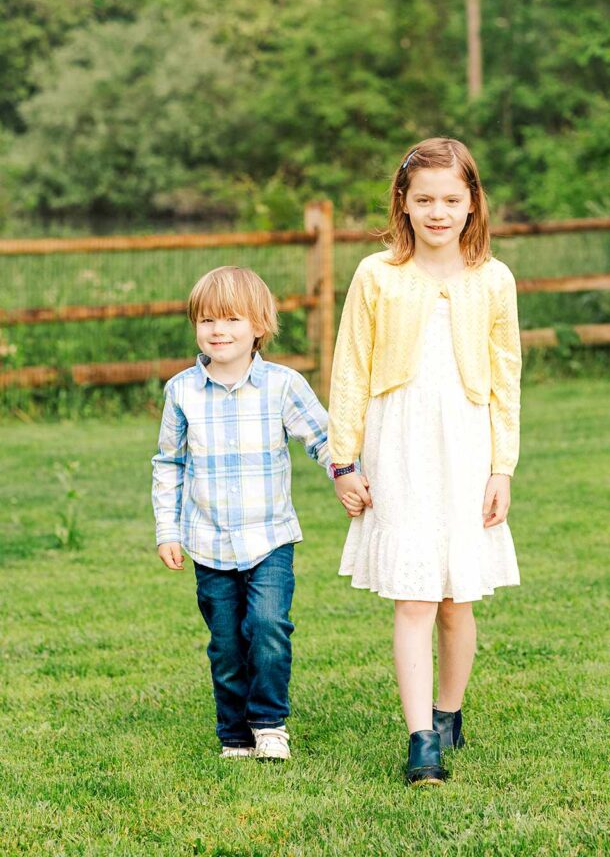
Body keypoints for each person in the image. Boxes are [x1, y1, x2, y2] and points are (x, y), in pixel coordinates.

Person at [327, 137, 522, 786]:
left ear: (471, 204)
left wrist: (502, 467)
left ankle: (448, 711)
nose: (437, 211)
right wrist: (343, 460)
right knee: (413, 595)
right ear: (403, 205)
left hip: (466, 447)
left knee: (453, 599)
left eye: (450, 199)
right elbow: (350, 368)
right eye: (424, 199)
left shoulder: (492, 279)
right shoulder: (376, 275)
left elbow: (504, 379)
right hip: (399, 444)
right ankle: (419, 739)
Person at [152, 266, 358, 760]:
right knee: (225, 644)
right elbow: (169, 463)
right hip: (208, 540)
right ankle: (234, 734)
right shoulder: (181, 391)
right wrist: (167, 530)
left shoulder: (283, 385)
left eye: (231, 319)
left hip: (269, 538)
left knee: (267, 627)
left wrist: (344, 472)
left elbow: (321, 437)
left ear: (259, 326)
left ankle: (268, 723)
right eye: (206, 320)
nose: (217, 330)